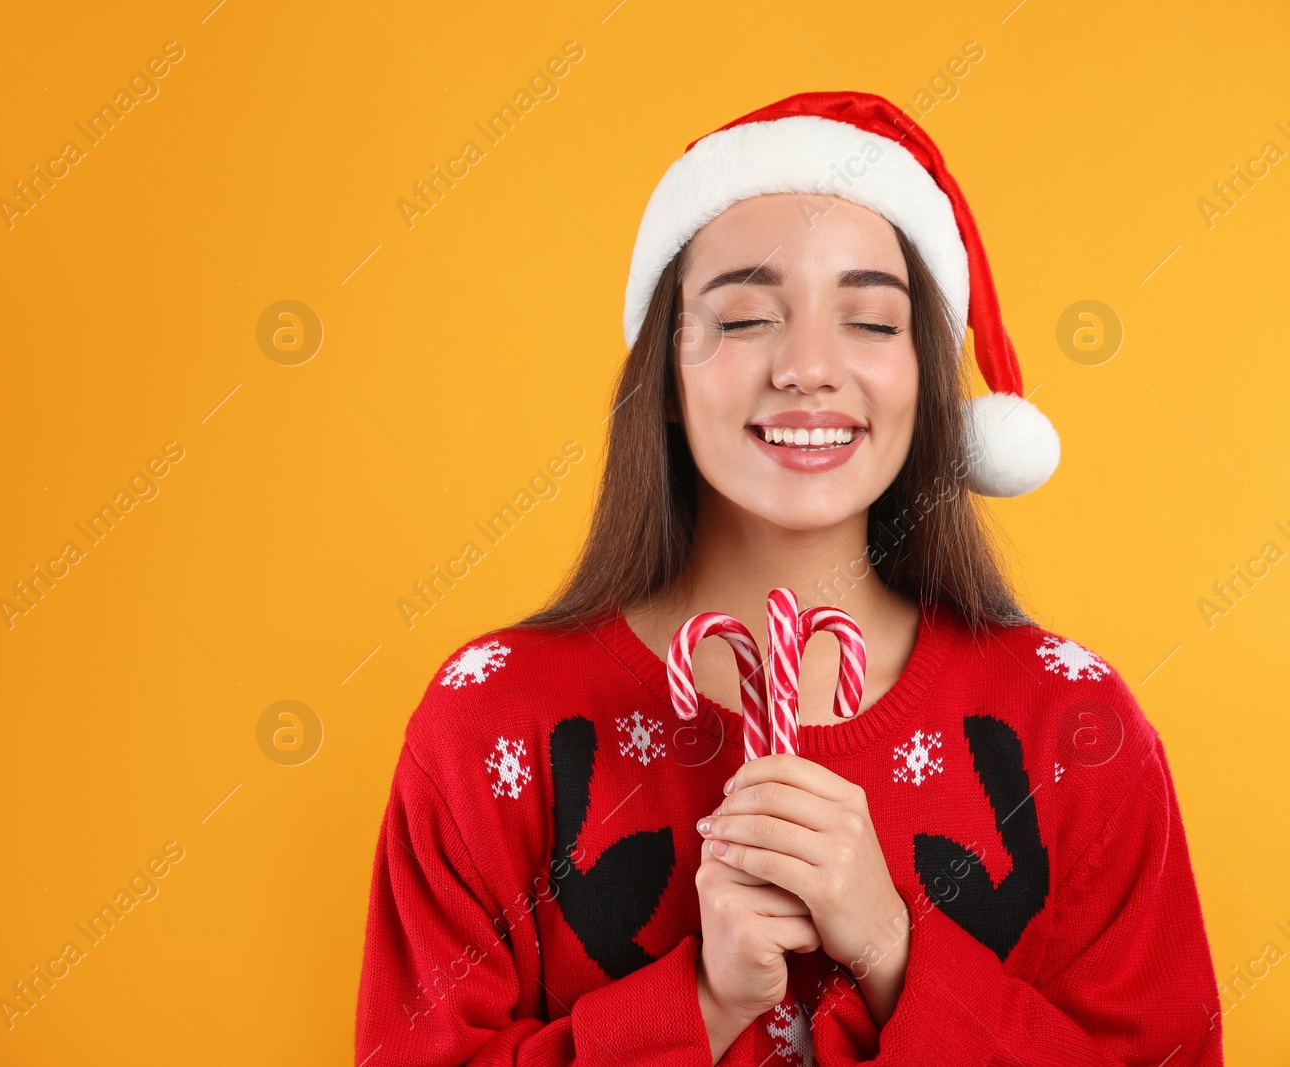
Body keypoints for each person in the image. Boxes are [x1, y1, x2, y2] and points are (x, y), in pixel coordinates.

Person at [355, 91, 1224, 1065]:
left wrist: (895, 952)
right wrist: (701, 999)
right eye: (744, 317)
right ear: (667, 380)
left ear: (926, 380)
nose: (808, 366)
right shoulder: (491, 721)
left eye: (869, 320)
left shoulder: (1070, 726)